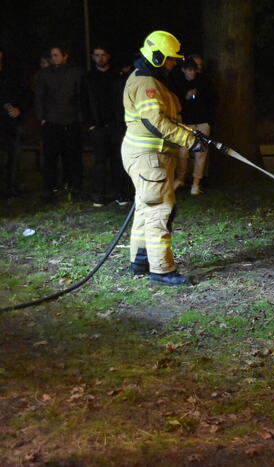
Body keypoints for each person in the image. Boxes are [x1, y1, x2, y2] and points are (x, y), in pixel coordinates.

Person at [122, 30, 201, 286]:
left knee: (146, 208)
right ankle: (162, 270)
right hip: (148, 156)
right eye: (169, 59)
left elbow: (166, 119)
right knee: (161, 210)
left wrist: (189, 132)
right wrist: (189, 141)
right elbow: (155, 122)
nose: (173, 64)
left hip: (149, 155)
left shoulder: (153, 80)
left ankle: (140, 260)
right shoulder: (146, 83)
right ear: (156, 56)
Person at [35, 45, 84, 200]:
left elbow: (81, 95)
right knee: (50, 157)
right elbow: (39, 95)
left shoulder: (75, 72)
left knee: (73, 156)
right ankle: (49, 188)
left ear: (65, 56)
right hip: (51, 121)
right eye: (52, 55)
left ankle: (75, 186)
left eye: (56, 55)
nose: (54, 58)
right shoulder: (45, 74)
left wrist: (79, 118)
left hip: (71, 121)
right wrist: (42, 116)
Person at [83, 45, 129, 206]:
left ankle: (120, 193)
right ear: (92, 56)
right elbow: (84, 102)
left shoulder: (118, 76)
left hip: (116, 126)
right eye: (97, 55)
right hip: (98, 127)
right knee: (99, 163)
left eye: (103, 55)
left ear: (108, 56)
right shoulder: (88, 78)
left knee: (118, 161)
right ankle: (99, 195)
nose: (100, 58)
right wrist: (90, 125)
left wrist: (123, 124)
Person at [173, 55, 216, 194]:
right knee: (183, 153)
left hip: (202, 122)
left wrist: (208, 119)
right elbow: (176, 103)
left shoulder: (204, 82)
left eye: (194, 70)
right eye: (190, 70)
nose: (192, 73)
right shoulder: (178, 84)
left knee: (200, 154)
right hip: (186, 123)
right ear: (184, 70)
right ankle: (180, 179)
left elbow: (212, 100)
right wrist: (185, 99)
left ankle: (196, 184)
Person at [0, 46, 24, 198]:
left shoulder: (12, 73)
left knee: (13, 157)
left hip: (11, 122)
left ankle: (12, 188)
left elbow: (24, 92)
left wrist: (19, 109)